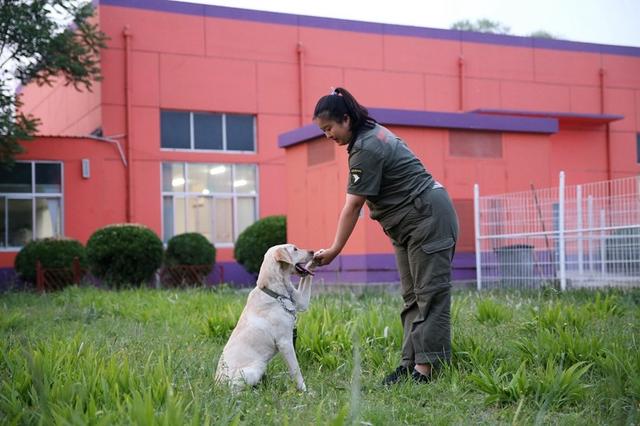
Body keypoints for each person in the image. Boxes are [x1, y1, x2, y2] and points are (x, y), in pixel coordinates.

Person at [312, 87, 459, 385]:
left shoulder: (366, 147)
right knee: (412, 297)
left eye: (329, 128)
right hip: (410, 221)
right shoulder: (368, 135)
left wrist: (335, 249)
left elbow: (353, 205)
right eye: (323, 130)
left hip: (426, 217)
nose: (327, 135)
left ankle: (425, 371)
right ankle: (411, 364)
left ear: (345, 119)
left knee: (430, 294)